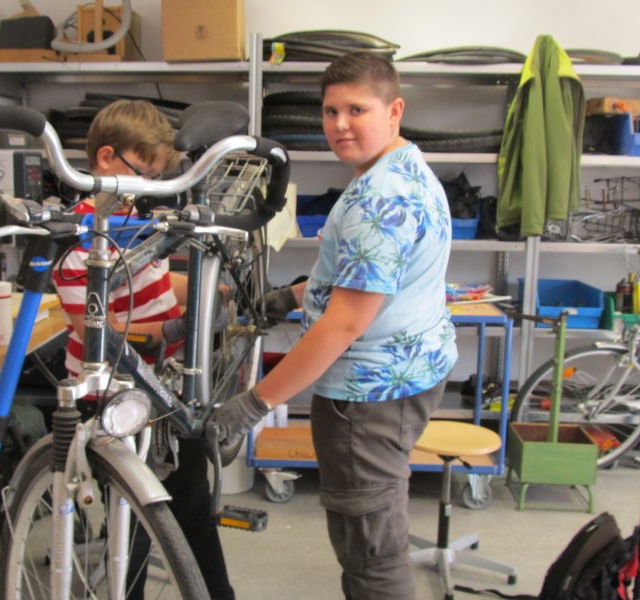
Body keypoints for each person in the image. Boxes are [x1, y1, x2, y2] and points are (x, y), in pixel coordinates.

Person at [209, 52, 457, 599]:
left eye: (356, 110)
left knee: (371, 553)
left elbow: (343, 325)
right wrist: (290, 296)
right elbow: (367, 279)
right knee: (377, 526)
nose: (340, 125)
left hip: (365, 400)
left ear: (394, 110)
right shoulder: (405, 168)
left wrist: (250, 406)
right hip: (407, 376)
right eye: (329, 111)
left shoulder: (378, 199)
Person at [53, 99, 236, 600]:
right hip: (115, 402)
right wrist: (180, 329)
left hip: (165, 392)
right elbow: (100, 329)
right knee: (130, 525)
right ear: (107, 158)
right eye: (146, 174)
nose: (151, 189)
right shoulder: (80, 238)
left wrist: (208, 289)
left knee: (194, 509)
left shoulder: (132, 220)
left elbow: (156, 282)